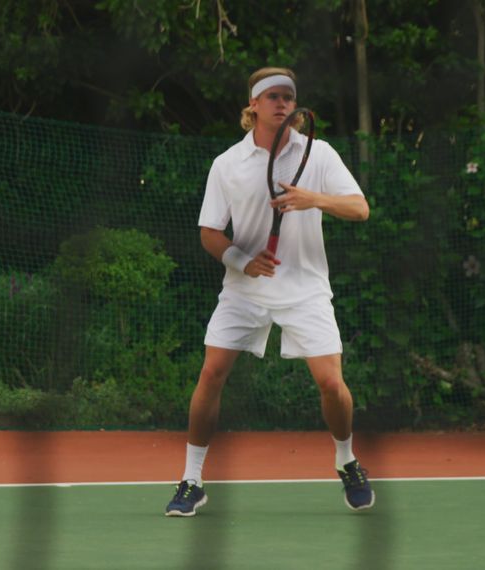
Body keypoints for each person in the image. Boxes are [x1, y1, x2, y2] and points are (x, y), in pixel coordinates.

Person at [165, 67, 373, 517]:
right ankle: (191, 480)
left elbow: (359, 208)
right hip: (245, 289)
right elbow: (209, 232)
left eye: (289, 96)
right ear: (253, 106)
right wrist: (242, 261)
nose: (282, 103)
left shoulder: (319, 154)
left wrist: (313, 198)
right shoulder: (226, 164)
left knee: (331, 384)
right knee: (211, 373)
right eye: (273, 96)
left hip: (305, 287)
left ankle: (346, 460)